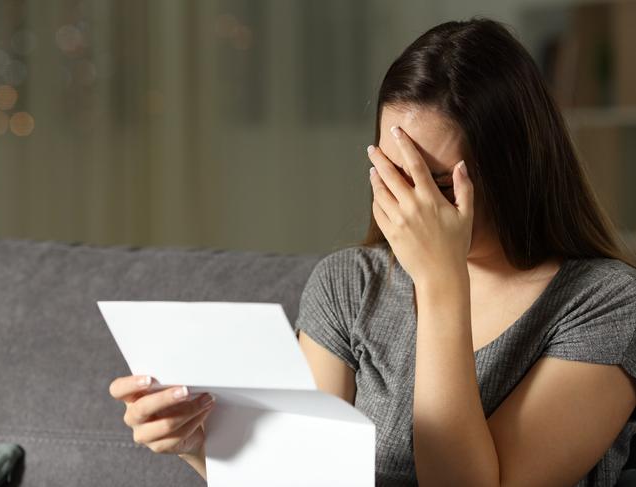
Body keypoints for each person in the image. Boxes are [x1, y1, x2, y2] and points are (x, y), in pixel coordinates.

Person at [109, 17, 636, 486]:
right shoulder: (350, 284)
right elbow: (300, 475)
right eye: (392, 173)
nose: (410, 205)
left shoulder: (607, 304)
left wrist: (440, 283)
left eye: (435, 185)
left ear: (516, 168)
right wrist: (199, 442)